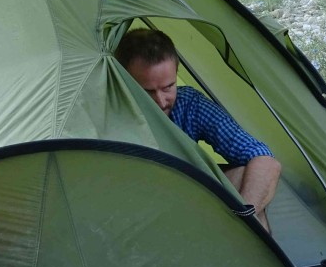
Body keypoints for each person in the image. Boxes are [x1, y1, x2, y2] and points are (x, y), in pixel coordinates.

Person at [114, 29, 281, 232]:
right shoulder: (110, 112)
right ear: (122, 81)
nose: (160, 101)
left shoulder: (189, 104)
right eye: (147, 91)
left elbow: (264, 159)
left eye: (168, 87)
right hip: (135, 211)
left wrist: (245, 214)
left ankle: (253, 259)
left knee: (248, 179)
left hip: (189, 198)